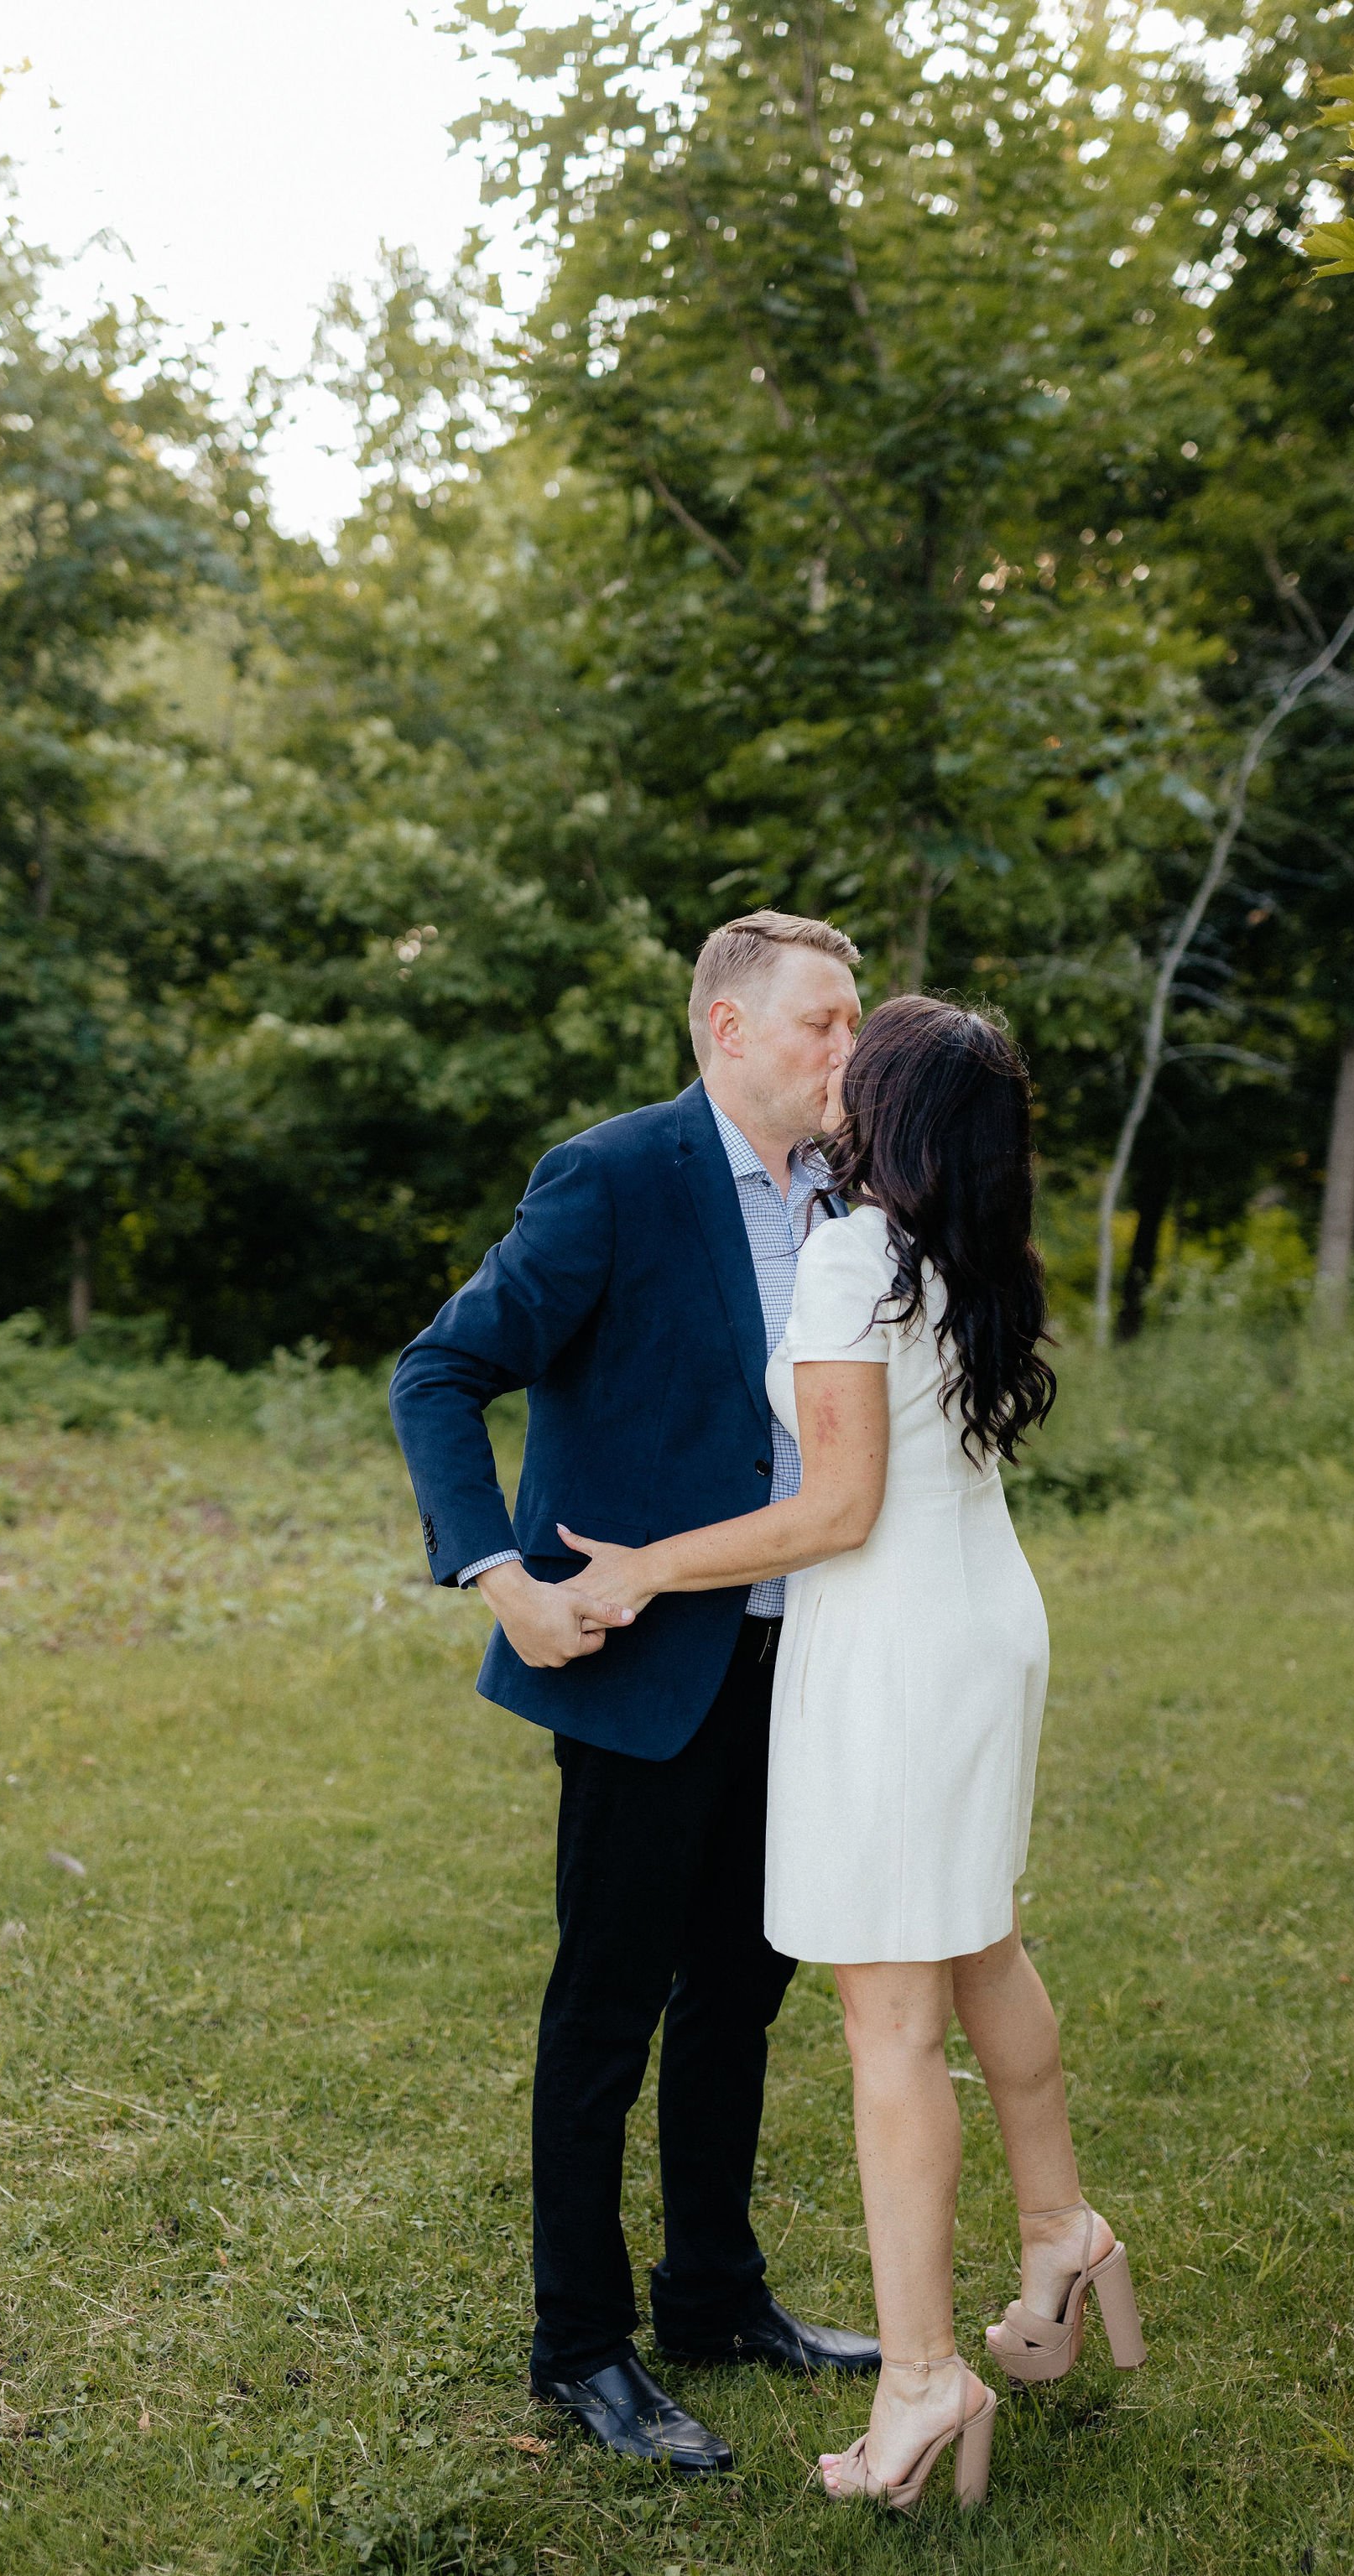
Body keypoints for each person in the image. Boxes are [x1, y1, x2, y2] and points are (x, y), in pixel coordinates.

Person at [560, 995, 1147, 2515]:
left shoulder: (847, 1252)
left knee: (889, 2024)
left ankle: (921, 2378)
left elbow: (834, 1514)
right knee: (983, 1942)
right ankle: (1061, 2231)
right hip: (985, 1626)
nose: (831, 1075)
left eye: (854, 1059)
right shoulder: (969, 1255)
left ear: (886, 1106)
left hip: (893, 1653)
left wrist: (643, 1567)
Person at [387, 910, 881, 2477]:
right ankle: (580, 2348)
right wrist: (499, 1576)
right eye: (824, 1023)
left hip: (806, 1655)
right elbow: (438, 1371)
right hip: (637, 1660)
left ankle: (715, 2300)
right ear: (728, 1032)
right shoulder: (612, 1175)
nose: (846, 1053)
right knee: (604, 2014)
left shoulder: (853, 1194)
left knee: (740, 1992)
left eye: (858, 1024)